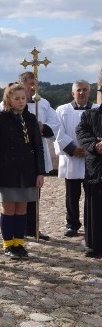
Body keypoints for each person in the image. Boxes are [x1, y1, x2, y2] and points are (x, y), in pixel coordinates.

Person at [0, 72, 58, 240]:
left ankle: (29, 230)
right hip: (10, 166)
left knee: (29, 201)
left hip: (30, 164)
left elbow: (53, 125)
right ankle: (11, 239)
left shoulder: (42, 105)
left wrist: (42, 127)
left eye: (35, 84)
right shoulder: (3, 112)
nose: (33, 87)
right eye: (30, 84)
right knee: (11, 205)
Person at [0, 83, 44, 260]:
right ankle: (8, 244)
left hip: (27, 170)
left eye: (23, 98)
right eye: (17, 98)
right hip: (7, 170)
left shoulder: (30, 119)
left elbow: (38, 147)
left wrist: (40, 172)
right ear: (9, 100)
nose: (21, 101)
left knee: (22, 208)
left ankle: (19, 243)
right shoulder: (1, 118)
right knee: (9, 208)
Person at [54, 80, 98, 237]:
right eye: (78, 90)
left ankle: (91, 224)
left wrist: (91, 147)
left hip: (92, 158)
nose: (82, 92)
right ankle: (72, 224)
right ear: (73, 93)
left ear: (89, 92)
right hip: (71, 158)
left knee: (92, 194)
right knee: (72, 194)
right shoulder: (62, 110)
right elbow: (57, 132)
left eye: (85, 89)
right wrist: (72, 149)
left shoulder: (97, 110)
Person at [76, 103, 102, 257]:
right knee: (95, 207)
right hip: (96, 168)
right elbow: (81, 132)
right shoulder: (89, 115)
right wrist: (95, 145)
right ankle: (95, 244)